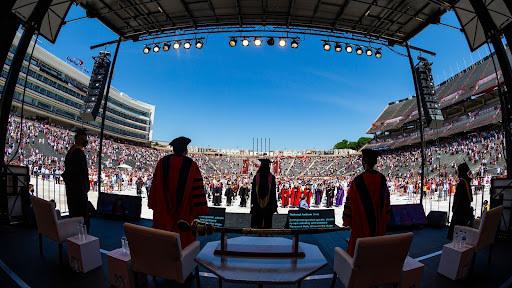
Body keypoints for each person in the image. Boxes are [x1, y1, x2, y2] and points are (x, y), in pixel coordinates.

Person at [148, 136, 208, 248]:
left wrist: (154, 204)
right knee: (183, 248)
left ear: (173, 149)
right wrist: (199, 210)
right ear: (186, 150)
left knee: (162, 244)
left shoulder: (161, 162)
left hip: (163, 215)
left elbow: (155, 187)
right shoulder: (192, 165)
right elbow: (197, 191)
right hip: (184, 217)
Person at [343, 149, 391, 256]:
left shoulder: (358, 181)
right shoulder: (382, 179)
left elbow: (349, 203)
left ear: (363, 162)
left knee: (358, 253)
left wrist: (347, 221)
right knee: (375, 254)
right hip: (378, 228)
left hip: (360, 227)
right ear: (375, 162)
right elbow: (387, 203)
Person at [62, 128, 91, 230]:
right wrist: (85, 187)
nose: (86, 141)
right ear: (79, 139)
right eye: (84, 138)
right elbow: (82, 173)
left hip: (71, 189)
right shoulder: (78, 153)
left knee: (74, 214)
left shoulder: (71, 151)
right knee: (82, 217)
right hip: (78, 190)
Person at [448, 162, 474, 240]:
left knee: (457, 233)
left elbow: (457, 198)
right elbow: (471, 198)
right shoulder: (466, 182)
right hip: (465, 210)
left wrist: (454, 209)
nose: (458, 173)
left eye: (459, 171)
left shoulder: (462, 183)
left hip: (460, 212)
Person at [250, 159, 278, 228]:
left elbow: (253, 192)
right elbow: (273, 193)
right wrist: (274, 205)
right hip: (269, 205)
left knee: (258, 223)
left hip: (257, 204)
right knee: (268, 224)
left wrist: (252, 204)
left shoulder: (256, 177)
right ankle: (267, 236)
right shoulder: (272, 177)